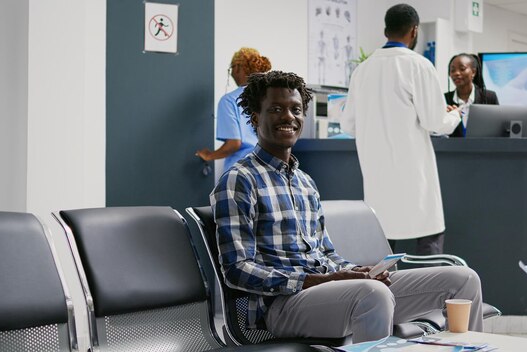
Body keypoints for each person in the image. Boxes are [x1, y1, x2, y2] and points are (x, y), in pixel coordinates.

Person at [210, 71, 483, 343]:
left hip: (332, 293)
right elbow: (237, 269)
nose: (289, 117)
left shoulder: (305, 182)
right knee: (371, 294)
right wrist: (315, 281)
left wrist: (356, 272)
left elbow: (327, 253)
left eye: (296, 109)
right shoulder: (240, 180)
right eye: (277, 109)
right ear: (256, 117)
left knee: (462, 280)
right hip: (281, 306)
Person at [340, 4, 461, 255]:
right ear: (414, 31)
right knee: (428, 250)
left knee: (381, 256)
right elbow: (434, 122)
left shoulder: (362, 70)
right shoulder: (419, 65)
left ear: (386, 30)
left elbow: (347, 125)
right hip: (415, 181)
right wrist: (456, 116)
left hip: (378, 183)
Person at [196, 48, 271, 171]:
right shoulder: (270, 97)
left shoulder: (230, 100)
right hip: (269, 168)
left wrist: (209, 155)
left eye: (231, 69)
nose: (231, 73)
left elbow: (234, 144)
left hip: (242, 171)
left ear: (237, 68)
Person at [445, 53, 499, 137]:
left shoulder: (489, 97)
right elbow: (439, 131)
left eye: (462, 69)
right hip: (451, 149)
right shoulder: (445, 99)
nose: (456, 73)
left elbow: (497, 129)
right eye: (452, 70)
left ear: (473, 72)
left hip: (482, 149)